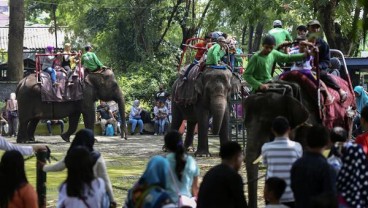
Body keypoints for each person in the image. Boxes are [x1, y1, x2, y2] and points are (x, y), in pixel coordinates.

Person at [44, 129, 115, 205]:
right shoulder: (97, 158)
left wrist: (43, 168)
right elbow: (105, 180)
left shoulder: (72, 154)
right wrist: (112, 200)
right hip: (92, 191)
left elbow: (59, 167)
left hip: (73, 189)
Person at [290, 125, 336, 208]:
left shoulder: (296, 165)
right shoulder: (327, 168)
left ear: (307, 141)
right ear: (327, 142)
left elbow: (294, 189)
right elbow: (331, 198)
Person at [261, 117, 302, 207]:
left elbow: (266, 164)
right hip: (292, 195)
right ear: (289, 129)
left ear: (272, 130)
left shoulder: (266, 147)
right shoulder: (297, 147)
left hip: (272, 195)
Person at [244, 35, 308, 91]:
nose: (269, 50)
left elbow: (287, 58)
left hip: (270, 82)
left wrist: (303, 55)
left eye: (271, 48)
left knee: (294, 87)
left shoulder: (273, 53)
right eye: (266, 47)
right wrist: (259, 85)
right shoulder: (256, 57)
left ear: (274, 46)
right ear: (262, 45)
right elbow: (246, 75)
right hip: (260, 84)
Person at [197, 141, 248, 208]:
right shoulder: (234, 177)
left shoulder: (210, 173)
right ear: (236, 157)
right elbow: (241, 203)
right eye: (241, 156)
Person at [306, 27, 347, 102]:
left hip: (317, 68)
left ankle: (340, 91)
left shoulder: (323, 44)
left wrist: (318, 66)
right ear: (308, 29)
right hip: (301, 67)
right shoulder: (301, 42)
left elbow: (326, 61)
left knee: (321, 74)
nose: (314, 29)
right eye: (312, 27)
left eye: (316, 27)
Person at [165, 131, 199, 204]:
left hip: (168, 202)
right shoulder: (191, 161)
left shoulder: (162, 162)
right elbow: (195, 189)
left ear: (166, 146)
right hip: (186, 202)